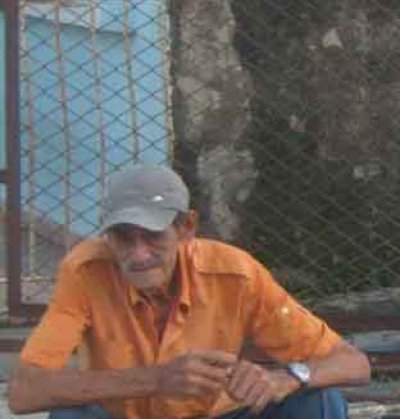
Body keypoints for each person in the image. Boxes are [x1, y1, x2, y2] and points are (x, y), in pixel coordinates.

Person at [7, 164, 372, 418]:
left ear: (186, 228)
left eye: (152, 236)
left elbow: (353, 363)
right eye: (122, 237)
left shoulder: (235, 273)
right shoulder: (85, 270)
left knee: (318, 402)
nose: (138, 254)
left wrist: (285, 378)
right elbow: (25, 393)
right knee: (71, 413)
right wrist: (156, 379)